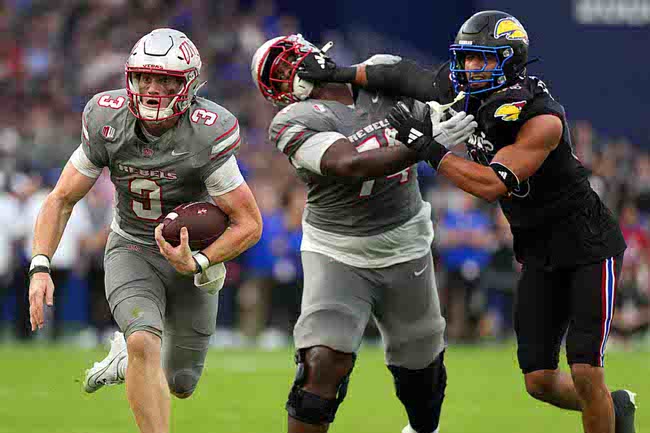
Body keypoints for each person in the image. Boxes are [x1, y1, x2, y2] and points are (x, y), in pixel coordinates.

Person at [297, 10, 637, 433]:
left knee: (586, 372)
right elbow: (401, 73)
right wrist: (341, 72)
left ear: (510, 61)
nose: (468, 69)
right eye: (467, 58)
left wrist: (430, 148)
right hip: (537, 250)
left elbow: (493, 184)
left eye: (481, 59)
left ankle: (603, 407)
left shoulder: (540, 117)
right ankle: (615, 408)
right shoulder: (467, 87)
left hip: (588, 245)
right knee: (539, 382)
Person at [27, 28, 262, 433]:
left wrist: (201, 259)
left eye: (167, 79)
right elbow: (62, 198)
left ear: (187, 84)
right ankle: (133, 354)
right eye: (146, 77)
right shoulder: (107, 119)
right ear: (130, 77)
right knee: (142, 340)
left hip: (190, 259)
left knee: (181, 383)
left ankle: (126, 359)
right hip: (133, 246)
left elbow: (249, 223)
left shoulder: (207, 131)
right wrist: (40, 264)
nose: (153, 88)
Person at [250, 34, 476, 433]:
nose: (294, 71)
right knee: (320, 365)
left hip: (405, 239)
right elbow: (351, 164)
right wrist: (428, 144)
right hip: (338, 249)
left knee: (421, 370)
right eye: (280, 73)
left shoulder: (378, 71)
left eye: (291, 61)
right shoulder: (292, 121)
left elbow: (438, 84)